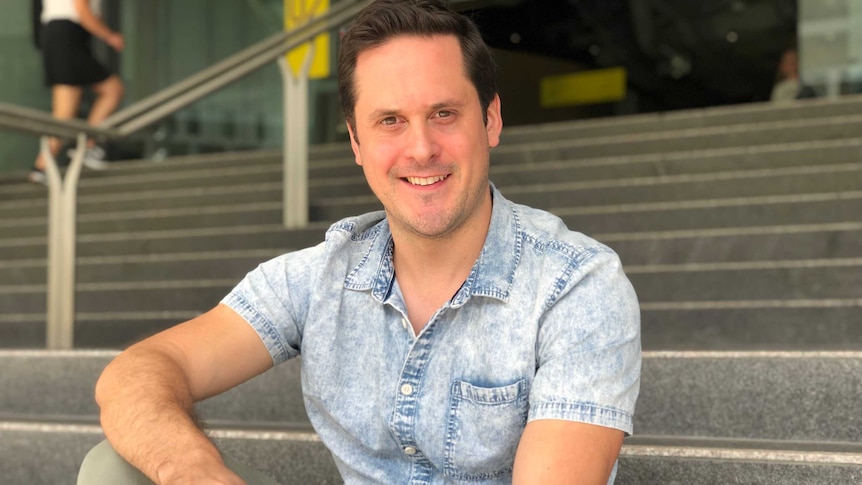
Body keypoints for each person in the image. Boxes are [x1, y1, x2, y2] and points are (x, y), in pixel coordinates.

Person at [78, 1, 641, 484]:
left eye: (444, 114)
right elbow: (139, 370)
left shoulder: (576, 284)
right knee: (117, 468)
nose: (420, 148)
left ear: (490, 120)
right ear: (354, 142)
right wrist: (195, 472)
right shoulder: (320, 274)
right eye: (390, 121)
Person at [28, 0, 124, 185]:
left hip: (65, 36)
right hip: (66, 36)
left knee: (111, 89)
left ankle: (84, 147)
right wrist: (109, 36)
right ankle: (43, 166)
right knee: (65, 113)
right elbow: (82, 10)